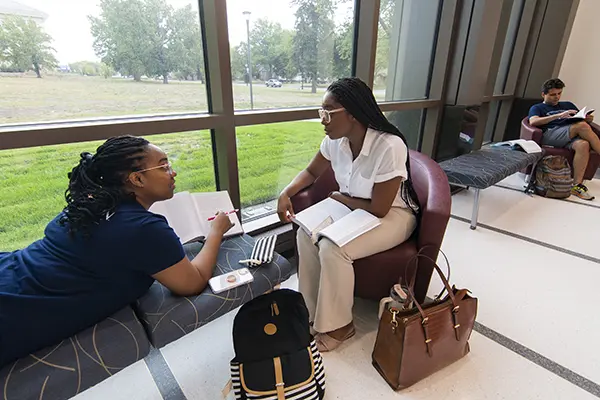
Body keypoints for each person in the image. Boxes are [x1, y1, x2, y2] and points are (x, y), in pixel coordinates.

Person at [0, 135, 234, 366]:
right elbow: (191, 282)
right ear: (137, 179)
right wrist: (216, 231)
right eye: (164, 166)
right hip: (16, 313)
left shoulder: (87, 206)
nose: (172, 172)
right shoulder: (144, 228)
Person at [277, 77, 420, 352]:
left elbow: (379, 208)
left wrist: (340, 197)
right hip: (354, 207)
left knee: (332, 247)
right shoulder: (335, 142)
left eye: (328, 112)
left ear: (352, 113)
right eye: (322, 112)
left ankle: (340, 325)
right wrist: (286, 192)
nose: (322, 120)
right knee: (306, 234)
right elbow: (311, 172)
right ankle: (311, 313)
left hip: (393, 215)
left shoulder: (389, 146)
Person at [528, 78, 600, 200]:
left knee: (583, 144)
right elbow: (533, 121)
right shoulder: (538, 107)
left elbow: (579, 118)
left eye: (559, 93)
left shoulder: (568, 105)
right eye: (552, 95)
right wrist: (558, 115)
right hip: (551, 135)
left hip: (569, 135)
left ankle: (577, 185)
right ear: (543, 94)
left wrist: (587, 119)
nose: (556, 97)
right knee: (582, 127)